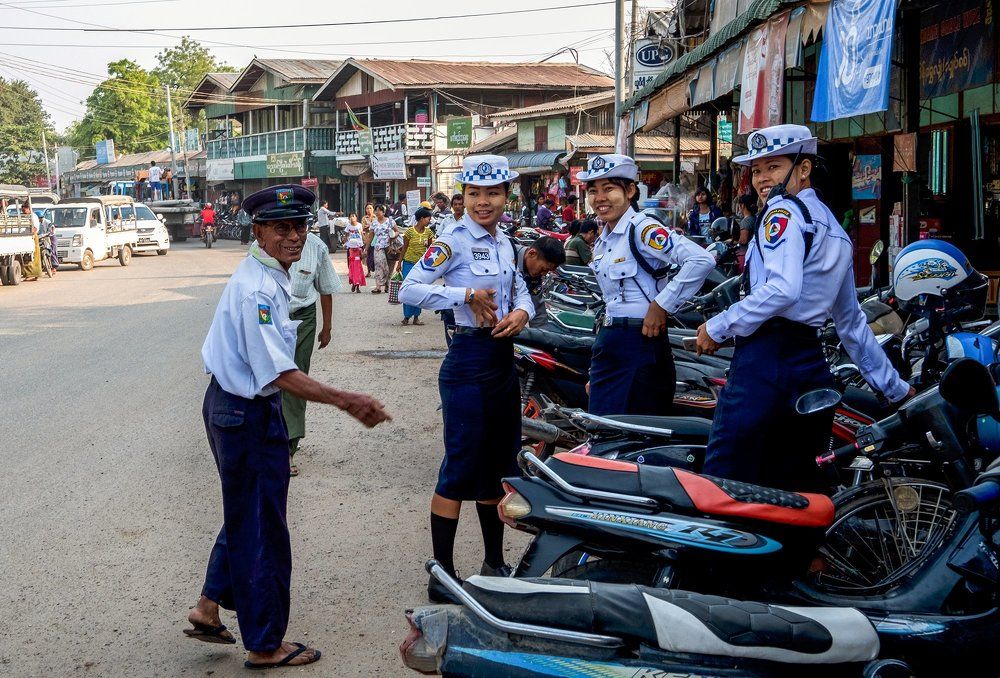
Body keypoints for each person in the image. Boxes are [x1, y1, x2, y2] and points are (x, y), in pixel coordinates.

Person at [188, 183, 389, 669]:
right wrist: (347, 400)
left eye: (299, 226)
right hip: (244, 413)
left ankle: (208, 606)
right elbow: (277, 372)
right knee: (262, 529)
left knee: (248, 513)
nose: (294, 236)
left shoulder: (272, 274)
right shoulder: (258, 288)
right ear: (258, 231)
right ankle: (263, 644)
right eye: (282, 228)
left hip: (240, 408)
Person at [695, 124, 913, 491]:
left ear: (804, 167)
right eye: (758, 170)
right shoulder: (835, 230)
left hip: (764, 363)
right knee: (796, 488)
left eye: (774, 167)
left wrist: (718, 326)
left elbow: (782, 289)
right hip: (810, 365)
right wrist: (895, 389)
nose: (763, 179)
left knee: (724, 478)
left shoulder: (782, 212)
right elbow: (851, 324)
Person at [398, 154, 534, 603]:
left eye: (492, 193)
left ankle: (493, 562)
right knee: (459, 467)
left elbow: (524, 293)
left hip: (501, 359)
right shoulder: (450, 240)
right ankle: (442, 573)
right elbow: (410, 289)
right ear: (464, 197)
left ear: (506, 196)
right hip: (467, 360)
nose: (483, 202)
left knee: (498, 466)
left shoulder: (507, 243)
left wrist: (520, 312)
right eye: (474, 193)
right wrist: (466, 293)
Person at [583, 154, 715, 417]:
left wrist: (661, 305)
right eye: (593, 191)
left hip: (640, 341)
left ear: (630, 190)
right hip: (612, 341)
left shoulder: (642, 228)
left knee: (630, 428)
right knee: (603, 425)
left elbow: (701, 259)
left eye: (609, 189)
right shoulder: (605, 237)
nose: (600, 198)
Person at [283, 230, 342, 476]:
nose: (295, 235)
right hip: (271, 316)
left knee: (296, 381)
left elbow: (325, 289)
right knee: (267, 380)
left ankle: (289, 449)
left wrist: (326, 327)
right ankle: (264, 443)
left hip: (303, 317)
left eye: (301, 226)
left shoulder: (317, 247)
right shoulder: (262, 243)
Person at [515, 236, 565, 328]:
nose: (544, 274)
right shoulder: (507, 257)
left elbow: (538, 310)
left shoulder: (535, 275)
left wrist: (542, 337)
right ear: (532, 253)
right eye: (543, 269)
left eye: (547, 271)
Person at [397, 206, 435, 325]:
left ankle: (416, 317)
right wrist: (399, 263)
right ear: (421, 218)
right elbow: (404, 248)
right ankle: (406, 316)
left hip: (421, 265)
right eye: (428, 218)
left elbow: (430, 250)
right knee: (408, 290)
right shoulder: (409, 232)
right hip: (408, 263)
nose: (429, 221)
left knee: (419, 290)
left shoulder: (429, 232)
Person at [369, 204, 398, 294]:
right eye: (376, 210)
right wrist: (366, 248)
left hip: (390, 246)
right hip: (378, 247)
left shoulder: (390, 221)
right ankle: (378, 286)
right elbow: (370, 236)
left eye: (379, 210)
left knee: (390, 266)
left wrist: (393, 236)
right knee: (380, 265)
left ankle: (387, 284)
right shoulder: (374, 223)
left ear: (384, 212)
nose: (377, 212)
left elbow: (397, 231)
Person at [735, 193, 758, 272]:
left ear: (743, 205)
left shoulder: (746, 221)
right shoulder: (755, 218)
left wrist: (734, 242)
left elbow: (743, 240)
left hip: (745, 254)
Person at [345, 213, 366, 293]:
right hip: (350, 247)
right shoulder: (348, 226)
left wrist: (364, 244)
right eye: (350, 216)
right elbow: (346, 235)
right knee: (352, 267)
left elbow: (362, 234)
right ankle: (354, 283)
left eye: (353, 216)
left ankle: (356, 285)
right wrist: (345, 243)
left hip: (359, 246)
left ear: (356, 217)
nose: (352, 217)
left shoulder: (359, 225)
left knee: (358, 267)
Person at [22, 203, 42, 281]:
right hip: (27, 237)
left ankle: (35, 274)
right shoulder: (25, 216)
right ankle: (28, 274)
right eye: (22, 210)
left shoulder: (33, 216)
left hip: (33, 238)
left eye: (24, 210)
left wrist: (30, 235)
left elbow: (35, 229)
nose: (23, 212)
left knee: (34, 257)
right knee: (27, 257)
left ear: (29, 209)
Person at [361, 203, 376, 276]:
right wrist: (370, 227)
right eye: (367, 208)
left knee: (375, 255)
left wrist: (369, 226)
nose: (369, 210)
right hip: (367, 238)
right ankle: (369, 271)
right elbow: (363, 228)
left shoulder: (376, 217)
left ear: (373, 209)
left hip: (375, 239)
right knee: (368, 255)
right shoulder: (364, 218)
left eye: (370, 208)